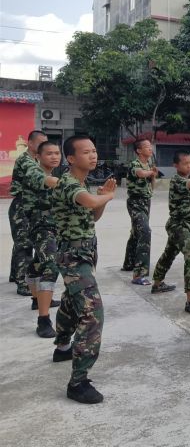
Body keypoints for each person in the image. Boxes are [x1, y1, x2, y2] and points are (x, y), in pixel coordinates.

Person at [52, 135, 116, 404]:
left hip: (85, 252)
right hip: (73, 257)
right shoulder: (67, 183)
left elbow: (92, 214)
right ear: (71, 158)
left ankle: (62, 345)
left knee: (71, 300)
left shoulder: (83, 183)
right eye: (86, 152)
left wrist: (103, 199)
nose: (93, 155)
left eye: (94, 150)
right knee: (91, 312)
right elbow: (89, 203)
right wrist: (106, 196)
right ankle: (78, 383)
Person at [151, 151, 190, 313]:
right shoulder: (177, 180)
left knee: (169, 254)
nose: (189, 166)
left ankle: (157, 284)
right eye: (185, 163)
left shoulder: (186, 180)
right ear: (176, 165)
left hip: (182, 225)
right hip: (178, 226)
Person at [25, 141, 62, 337]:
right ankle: (43, 320)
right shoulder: (34, 172)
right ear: (38, 156)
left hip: (51, 226)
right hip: (40, 227)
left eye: (57, 153)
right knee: (50, 265)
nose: (55, 157)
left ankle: (36, 299)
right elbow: (51, 183)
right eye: (49, 154)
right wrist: (72, 185)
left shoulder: (53, 175)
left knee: (37, 263)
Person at [8, 130, 49, 296]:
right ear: (30, 143)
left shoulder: (35, 160)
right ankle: (23, 283)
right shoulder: (26, 161)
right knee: (24, 244)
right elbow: (39, 177)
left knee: (21, 241)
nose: (43, 147)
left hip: (29, 206)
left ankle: (14, 274)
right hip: (21, 207)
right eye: (40, 143)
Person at [123, 139, 157, 285]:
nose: (150, 149)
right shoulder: (135, 164)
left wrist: (152, 176)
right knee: (145, 231)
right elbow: (141, 174)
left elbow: (151, 181)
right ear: (139, 150)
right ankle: (139, 274)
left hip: (145, 201)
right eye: (147, 147)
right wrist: (151, 172)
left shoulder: (149, 164)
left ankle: (129, 263)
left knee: (136, 232)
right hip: (135, 202)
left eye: (150, 147)